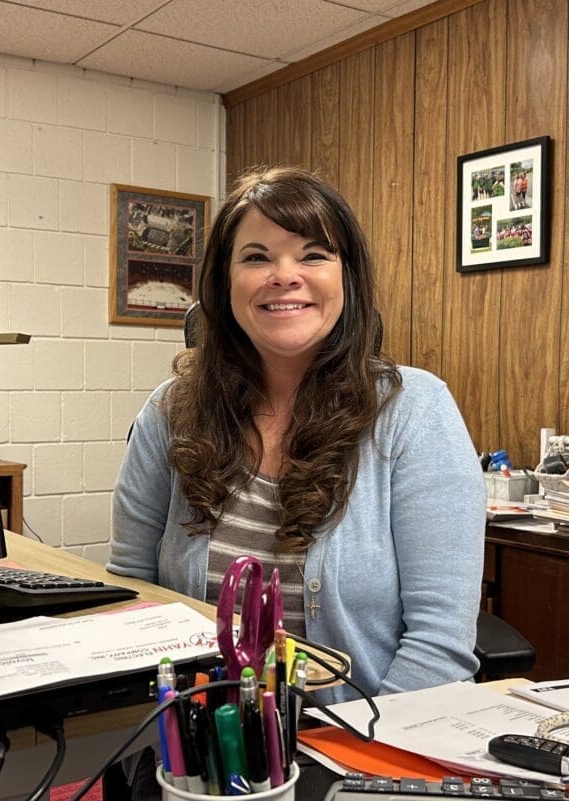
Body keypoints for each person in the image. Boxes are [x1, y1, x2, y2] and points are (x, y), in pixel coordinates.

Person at [108, 167, 486, 704]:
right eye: (257, 256)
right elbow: (132, 595)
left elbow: (439, 646)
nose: (285, 276)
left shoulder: (416, 413)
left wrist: (355, 764)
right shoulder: (171, 411)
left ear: (347, 278)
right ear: (224, 282)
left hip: (360, 748)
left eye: (313, 255)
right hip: (198, 747)